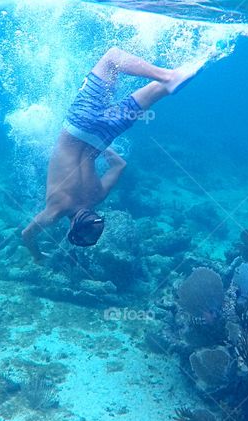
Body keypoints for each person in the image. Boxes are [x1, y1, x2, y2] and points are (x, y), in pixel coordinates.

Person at [21, 46, 203, 261]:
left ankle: (205, 56)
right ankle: (170, 74)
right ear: (71, 228)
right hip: (79, 125)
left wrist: (98, 145)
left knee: (162, 88)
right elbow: (27, 235)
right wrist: (36, 255)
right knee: (113, 58)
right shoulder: (56, 209)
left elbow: (119, 165)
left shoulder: (98, 195)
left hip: (104, 134)